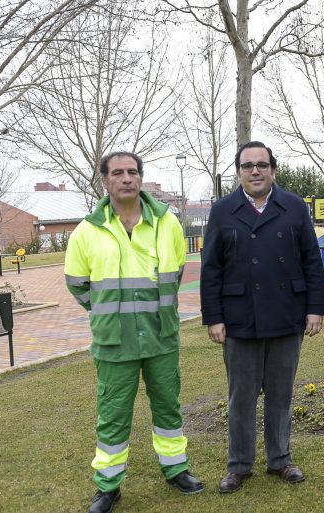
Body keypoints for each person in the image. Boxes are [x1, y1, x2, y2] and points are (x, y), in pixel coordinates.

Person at [65, 151, 203, 513]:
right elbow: (77, 284)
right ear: (105, 181)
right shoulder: (87, 231)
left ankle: (176, 470)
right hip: (114, 340)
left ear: (141, 178)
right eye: (118, 173)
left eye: (132, 172)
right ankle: (108, 487)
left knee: (168, 408)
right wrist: (108, 315)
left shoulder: (167, 224)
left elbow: (176, 273)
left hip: (161, 336)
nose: (126, 178)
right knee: (112, 415)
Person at [200, 141, 324, 493]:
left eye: (261, 164)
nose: (255, 171)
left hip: (287, 314)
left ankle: (280, 460)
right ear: (238, 172)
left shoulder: (294, 207)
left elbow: (311, 260)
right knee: (241, 395)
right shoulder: (223, 210)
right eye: (247, 165)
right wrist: (214, 316)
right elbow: (211, 269)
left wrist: (316, 307)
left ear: (273, 169)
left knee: (281, 393)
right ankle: (239, 465)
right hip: (240, 318)